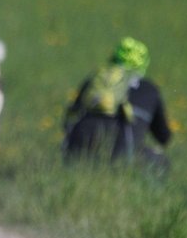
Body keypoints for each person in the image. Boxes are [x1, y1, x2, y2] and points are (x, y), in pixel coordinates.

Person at [63, 36, 172, 170]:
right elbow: (164, 137)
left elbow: (68, 120)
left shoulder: (95, 81)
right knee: (161, 161)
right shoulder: (149, 88)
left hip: (77, 152)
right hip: (122, 158)